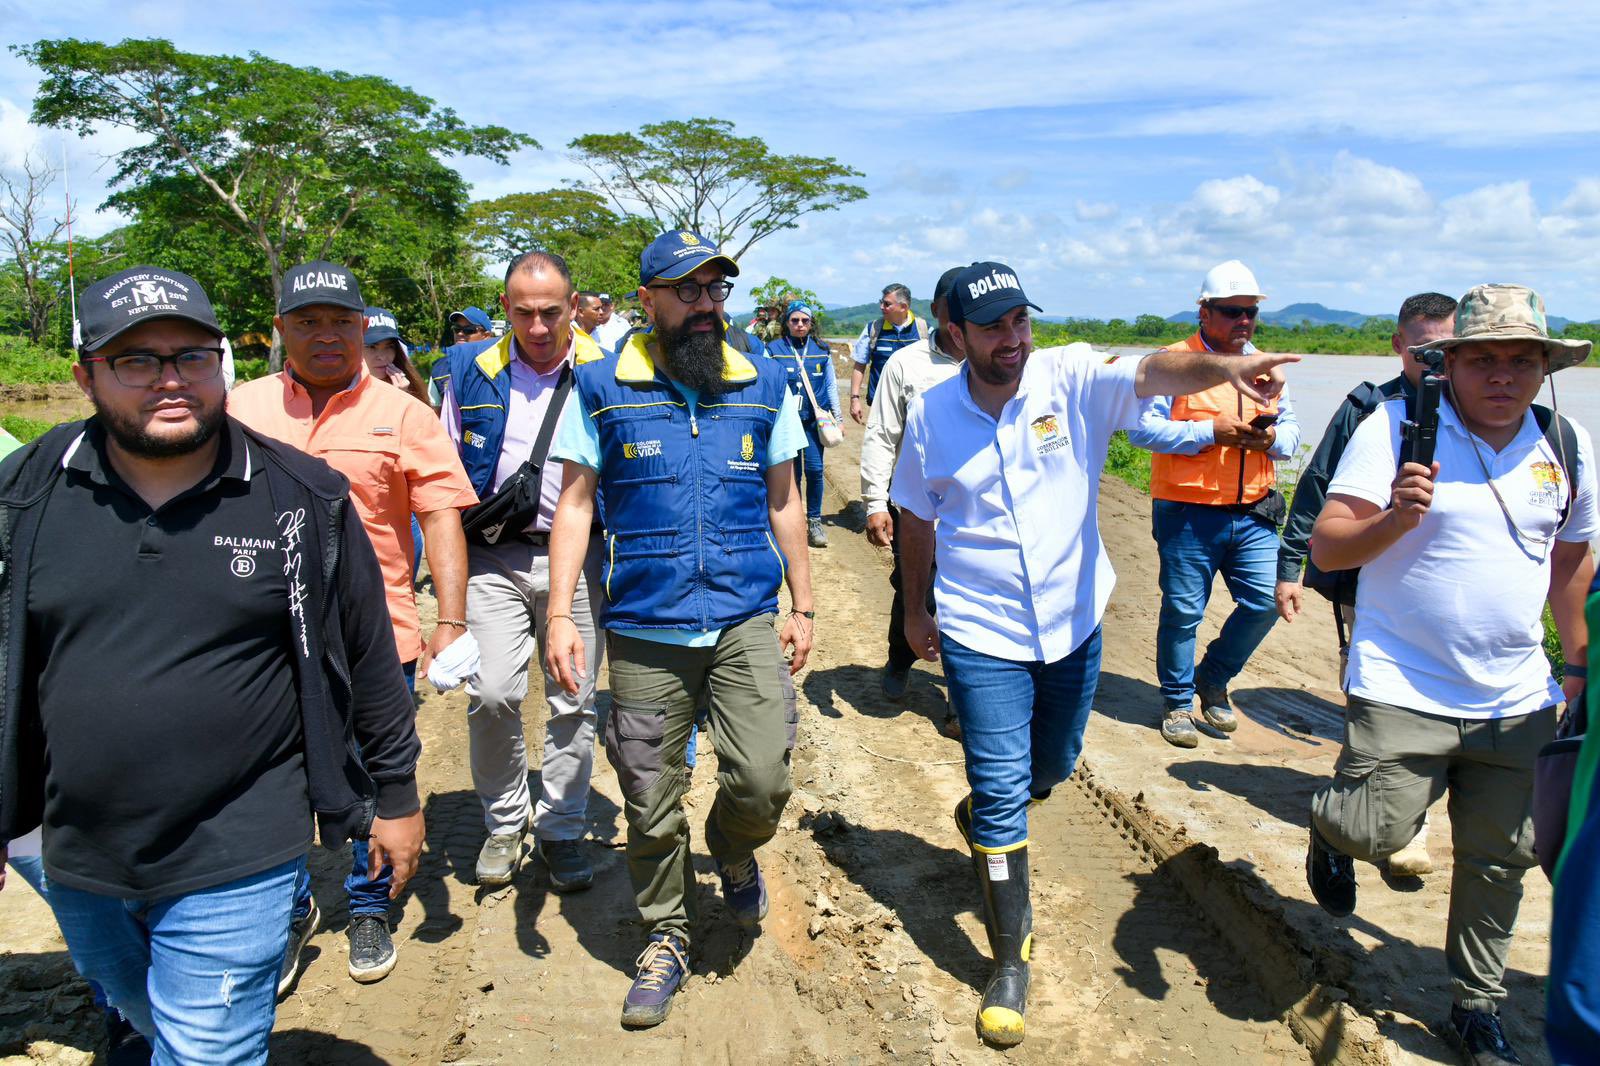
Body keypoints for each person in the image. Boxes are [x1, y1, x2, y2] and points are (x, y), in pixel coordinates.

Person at [0, 264, 424, 1062]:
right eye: (137, 361)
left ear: (225, 360)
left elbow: (368, 658)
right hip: (77, 844)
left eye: (192, 356)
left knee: (207, 1050)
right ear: (84, 374)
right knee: (138, 1003)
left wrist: (395, 794)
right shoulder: (26, 495)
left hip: (242, 843)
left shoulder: (299, 498)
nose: (171, 380)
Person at [892, 261, 1294, 1047]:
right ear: (955, 337)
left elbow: (1152, 369)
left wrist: (1229, 366)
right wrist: (915, 607)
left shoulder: (1069, 376)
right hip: (981, 629)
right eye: (993, 327)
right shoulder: (933, 414)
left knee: (1052, 768)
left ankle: (993, 813)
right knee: (1003, 785)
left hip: (1073, 621)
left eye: (1020, 321)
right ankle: (1010, 959)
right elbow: (915, 513)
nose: (1012, 339)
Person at [1306, 284, 1595, 1066]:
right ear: (1450, 364)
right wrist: (1395, 518)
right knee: (1380, 829)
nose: (1503, 375)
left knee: (1500, 860)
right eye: (1485, 359)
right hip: (1402, 683)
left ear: (1545, 369)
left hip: (1516, 695)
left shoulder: (1564, 443)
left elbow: (1571, 559)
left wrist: (1575, 662)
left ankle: (1476, 1004)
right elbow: (1329, 549)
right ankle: (1330, 829)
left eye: (1522, 360)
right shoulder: (1395, 427)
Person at [543, 229, 813, 1029]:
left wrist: (805, 604)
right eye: (688, 291)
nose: (706, 306)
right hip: (645, 630)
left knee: (763, 781)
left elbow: (785, 500)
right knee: (648, 797)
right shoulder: (599, 387)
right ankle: (666, 934)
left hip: (742, 621)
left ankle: (731, 848)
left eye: (716, 291)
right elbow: (577, 506)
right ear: (648, 301)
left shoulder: (762, 383)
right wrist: (561, 612)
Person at [229, 262, 476, 990]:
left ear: (363, 329)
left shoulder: (405, 416)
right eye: (307, 321)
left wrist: (451, 621)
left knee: (374, 780)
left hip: (376, 640)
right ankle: (290, 908)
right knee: (267, 786)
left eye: (340, 321)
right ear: (281, 331)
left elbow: (439, 515)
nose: (326, 335)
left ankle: (369, 904)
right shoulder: (238, 410)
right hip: (258, 642)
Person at [434, 251, 610, 894]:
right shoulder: (470, 371)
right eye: (523, 312)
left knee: (573, 697)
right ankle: (505, 822)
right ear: (505, 308)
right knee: (492, 694)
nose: (537, 327)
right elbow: (442, 474)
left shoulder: (609, 372)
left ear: (574, 309)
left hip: (581, 555)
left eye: (551, 313)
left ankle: (562, 828)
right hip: (494, 557)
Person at [1275, 292, 1457, 876]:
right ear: (1399, 346)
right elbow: (1318, 484)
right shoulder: (1371, 411)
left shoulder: (1481, 408)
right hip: (1369, 581)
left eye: (1447, 350)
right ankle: (1395, 823)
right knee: (1382, 693)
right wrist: (1291, 568)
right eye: (1424, 350)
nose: (1436, 363)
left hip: (1447, 591)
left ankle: (1405, 811)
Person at [1126, 260, 1300, 748]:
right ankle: (1178, 702)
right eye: (1231, 311)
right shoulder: (1172, 362)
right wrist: (1210, 431)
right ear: (1204, 311)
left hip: (1254, 510)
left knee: (1266, 601)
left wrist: (1270, 443)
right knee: (1184, 611)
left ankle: (1213, 677)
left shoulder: (1267, 365)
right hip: (1188, 511)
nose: (1243, 322)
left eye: (1250, 313)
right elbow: (1140, 429)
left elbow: (1292, 429)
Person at [860, 265, 966, 707]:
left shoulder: (997, 363)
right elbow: (882, 434)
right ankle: (899, 660)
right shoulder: (907, 365)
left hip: (979, 510)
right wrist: (874, 501)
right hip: (918, 507)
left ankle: (965, 695)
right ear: (939, 310)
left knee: (969, 601)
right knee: (915, 589)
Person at [766, 300, 840, 548]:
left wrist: (838, 419)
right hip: (785, 423)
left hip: (812, 423)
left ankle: (815, 521)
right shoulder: (773, 349)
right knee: (790, 474)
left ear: (811, 323)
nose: (800, 325)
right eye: (795, 320)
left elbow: (830, 386)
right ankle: (793, 519)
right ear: (786, 323)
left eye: (805, 321)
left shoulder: (822, 350)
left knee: (815, 471)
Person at [849, 283, 925, 423]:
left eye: (887, 304)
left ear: (903, 307)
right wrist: (854, 399)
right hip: (880, 407)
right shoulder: (873, 329)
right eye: (881, 302)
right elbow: (859, 365)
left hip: (915, 407)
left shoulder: (923, 330)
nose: (881, 307)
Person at [363, 306, 432, 405]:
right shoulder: (342, 391)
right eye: (372, 347)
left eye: (389, 346)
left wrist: (402, 398)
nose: (382, 356)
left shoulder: (410, 389)